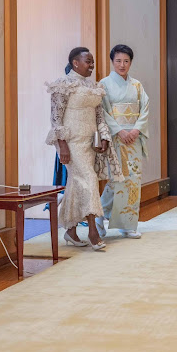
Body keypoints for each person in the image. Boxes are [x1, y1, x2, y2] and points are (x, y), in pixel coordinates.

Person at [45, 47, 123, 251]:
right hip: (71, 143)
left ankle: (70, 230)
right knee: (89, 180)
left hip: (90, 143)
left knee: (76, 184)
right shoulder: (62, 85)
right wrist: (61, 144)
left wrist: (104, 137)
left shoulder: (93, 87)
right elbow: (55, 118)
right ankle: (92, 231)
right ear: (75, 63)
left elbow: (100, 117)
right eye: (88, 61)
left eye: (93, 61)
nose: (92, 65)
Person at [95, 44, 150, 239]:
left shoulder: (136, 85)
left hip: (133, 138)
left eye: (126, 61)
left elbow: (145, 108)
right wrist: (119, 131)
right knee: (118, 179)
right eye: (118, 61)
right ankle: (99, 214)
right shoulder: (104, 84)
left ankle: (127, 224)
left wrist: (135, 130)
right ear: (112, 61)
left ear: (131, 62)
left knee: (133, 180)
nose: (122, 65)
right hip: (117, 138)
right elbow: (103, 111)